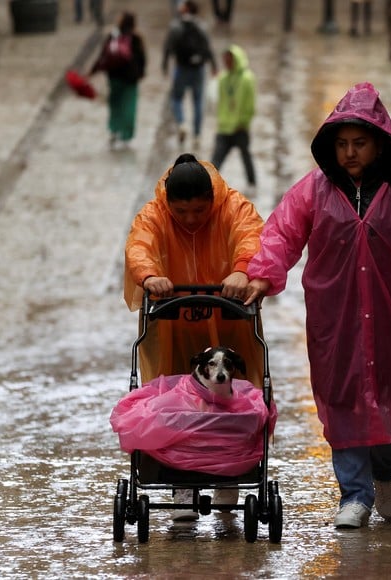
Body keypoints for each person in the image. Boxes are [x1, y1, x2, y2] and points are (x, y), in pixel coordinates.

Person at [244, 82, 391, 529]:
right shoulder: (314, 190)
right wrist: (262, 273)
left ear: (379, 143)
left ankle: (385, 472)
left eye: (359, 143)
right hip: (335, 320)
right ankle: (354, 495)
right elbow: (282, 233)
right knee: (342, 401)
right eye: (342, 145)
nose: (350, 153)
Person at [124, 152, 265, 520]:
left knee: (232, 403)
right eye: (180, 213)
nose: (189, 220)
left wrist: (240, 269)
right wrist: (150, 275)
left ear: (212, 202)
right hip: (171, 327)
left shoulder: (233, 207)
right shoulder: (153, 215)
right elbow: (139, 245)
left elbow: (252, 237)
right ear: (168, 205)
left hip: (230, 323)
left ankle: (229, 476)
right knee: (174, 403)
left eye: (199, 212)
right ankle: (180, 483)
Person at [163, 0, 218, 148]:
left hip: (181, 68)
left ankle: (181, 123)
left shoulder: (176, 26)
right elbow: (208, 46)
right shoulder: (201, 26)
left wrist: (165, 64)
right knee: (198, 102)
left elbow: (168, 46)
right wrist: (214, 65)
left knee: (176, 99)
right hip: (198, 69)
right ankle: (197, 135)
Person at [90, 11, 147, 150]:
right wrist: (140, 73)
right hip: (130, 78)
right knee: (129, 105)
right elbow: (142, 58)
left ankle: (114, 129)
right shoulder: (136, 38)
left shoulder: (113, 36)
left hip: (114, 76)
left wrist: (93, 70)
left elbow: (103, 55)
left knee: (115, 103)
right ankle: (126, 134)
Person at [211, 45, 256, 188]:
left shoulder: (247, 79)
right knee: (216, 160)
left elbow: (250, 103)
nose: (227, 63)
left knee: (246, 157)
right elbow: (219, 101)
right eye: (225, 60)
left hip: (239, 127)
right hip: (224, 127)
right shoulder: (223, 78)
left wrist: (244, 121)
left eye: (230, 60)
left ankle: (252, 183)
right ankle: (208, 186)